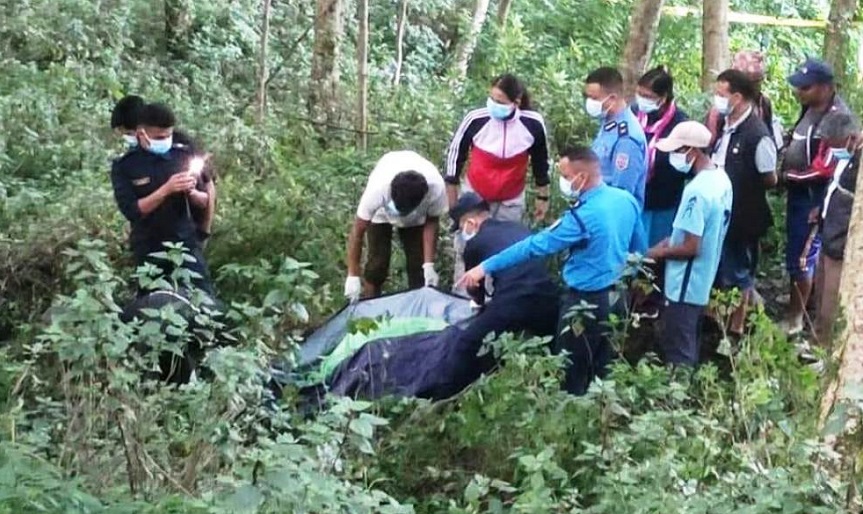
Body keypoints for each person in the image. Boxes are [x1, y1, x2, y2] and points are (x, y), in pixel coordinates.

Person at [459, 146, 644, 395]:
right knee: (604, 367)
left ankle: (572, 426)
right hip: (618, 298)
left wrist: (485, 266)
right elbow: (639, 249)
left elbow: (535, 246)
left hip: (585, 303)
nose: (564, 183)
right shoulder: (625, 200)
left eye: (566, 177)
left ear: (582, 177)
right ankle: (603, 418)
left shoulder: (581, 218)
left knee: (570, 370)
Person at [445, 74, 551, 289]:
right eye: (491, 99)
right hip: (475, 196)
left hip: (510, 200)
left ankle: (496, 300)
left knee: (505, 250)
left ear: (516, 102)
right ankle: (463, 297)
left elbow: (541, 162)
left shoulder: (532, 124)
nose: (494, 105)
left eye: (500, 102)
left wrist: (543, 196)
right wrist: (453, 202)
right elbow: (455, 158)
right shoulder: (476, 119)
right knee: (467, 247)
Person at [647, 122, 733, 366]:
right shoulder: (721, 179)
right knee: (689, 338)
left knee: (678, 347)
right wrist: (671, 240)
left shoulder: (696, 191)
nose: (673, 156)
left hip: (685, 282)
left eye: (676, 150)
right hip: (704, 277)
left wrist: (657, 252)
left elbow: (691, 247)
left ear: (691, 151)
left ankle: (678, 398)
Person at [110, 103, 215, 296]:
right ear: (142, 133)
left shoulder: (182, 156)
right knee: (152, 304)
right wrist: (166, 189)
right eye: (159, 137)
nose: (165, 141)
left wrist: (191, 192)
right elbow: (132, 210)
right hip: (149, 248)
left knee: (204, 301)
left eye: (169, 136)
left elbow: (204, 200)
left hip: (185, 244)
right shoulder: (125, 166)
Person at [779, 58, 850, 335]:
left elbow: (828, 169)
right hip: (798, 197)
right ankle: (799, 307)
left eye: (806, 88)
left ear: (825, 87)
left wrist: (787, 177)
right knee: (795, 255)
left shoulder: (838, 119)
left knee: (802, 259)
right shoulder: (808, 109)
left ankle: (797, 319)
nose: (800, 92)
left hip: (814, 200)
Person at [450, 192, 560, 365]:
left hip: (512, 298)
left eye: (462, 226)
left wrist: (480, 306)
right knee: (553, 345)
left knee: (467, 344)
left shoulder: (474, 243)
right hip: (548, 294)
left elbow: (474, 287)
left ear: (471, 223)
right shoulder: (517, 227)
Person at [710, 69, 778, 336]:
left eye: (721, 94)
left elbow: (769, 178)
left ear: (737, 97)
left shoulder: (757, 135)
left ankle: (738, 328)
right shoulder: (724, 125)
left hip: (743, 217)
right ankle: (720, 319)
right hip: (721, 211)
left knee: (738, 272)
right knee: (721, 269)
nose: (717, 99)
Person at [345, 150, 448, 301]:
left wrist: (428, 264)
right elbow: (358, 231)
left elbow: (432, 222)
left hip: (416, 218)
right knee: (377, 265)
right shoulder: (378, 189)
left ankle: (418, 306)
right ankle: (370, 306)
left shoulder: (436, 189)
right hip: (381, 213)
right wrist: (352, 274)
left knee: (417, 266)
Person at [814, 112, 861, 345]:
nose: (831, 150)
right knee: (820, 292)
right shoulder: (848, 156)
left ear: (850, 138)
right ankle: (817, 339)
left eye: (833, 145)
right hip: (828, 233)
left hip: (841, 241)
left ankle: (827, 349)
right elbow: (836, 187)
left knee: (831, 299)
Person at [634, 66, 690, 247]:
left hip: (665, 201)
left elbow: (687, 164)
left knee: (656, 253)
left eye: (648, 96)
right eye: (639, 94)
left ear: (663, 98)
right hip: (635, 197)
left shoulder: (680, 123)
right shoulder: (633, 114)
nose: (642, 100)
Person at [584, 66, 648, 207]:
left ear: (612, 98)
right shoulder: (608, 123)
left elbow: (620, 196)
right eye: (587, 97)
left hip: (611, 217)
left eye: (594, 98)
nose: (589, 102)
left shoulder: (627, 139)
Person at [706, 50, 783, 149]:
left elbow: (771, 140)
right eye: (750, 82)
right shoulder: (719, 110)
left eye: (757, 81)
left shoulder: (763, 104)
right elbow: (708, 145)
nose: (753, 87)